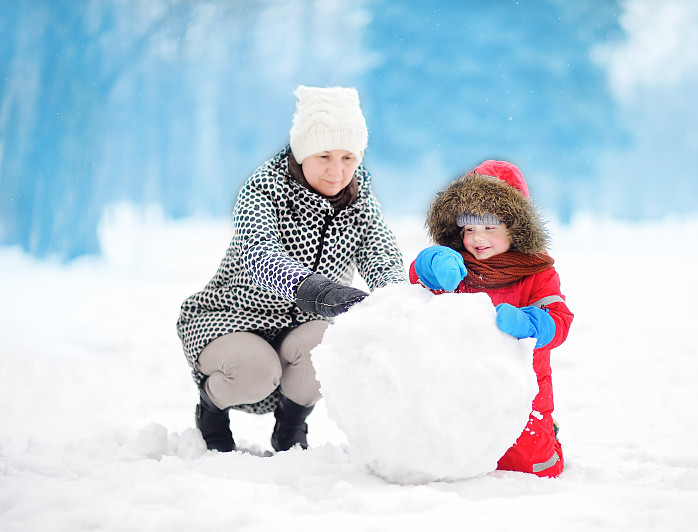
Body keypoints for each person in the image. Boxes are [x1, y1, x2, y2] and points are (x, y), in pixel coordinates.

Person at [177, 85, 407, 453]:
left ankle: (291, 428)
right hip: (232, 318)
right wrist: (323, 292)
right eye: (325, 156)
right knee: (255, 370)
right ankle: (211, 411)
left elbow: (381, 256)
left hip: (301, 327)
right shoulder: (264, 188)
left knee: (329, 343)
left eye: (349, 157)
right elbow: (260, 254)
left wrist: (396, 299)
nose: (337, 171)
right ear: (302, 154)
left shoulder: (360, 200)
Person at [409, 160, 574, 477]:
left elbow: (560, 321)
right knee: (449, 457)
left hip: (523, 386)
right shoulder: (456, 264)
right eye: (469, 228)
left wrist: (530, 323)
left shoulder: (537, 272)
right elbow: (417, 279)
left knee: (532, 467)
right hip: (460, 384)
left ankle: (547, 431)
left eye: (489, 227)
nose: (477, 238)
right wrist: (432, 262)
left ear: (515, 227)